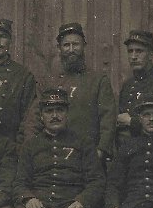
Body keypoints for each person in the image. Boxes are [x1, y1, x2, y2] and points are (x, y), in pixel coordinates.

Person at [7, 88, 106, 208]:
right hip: (36, 206)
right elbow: (19, 182)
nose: (55, 115)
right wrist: (28, 198)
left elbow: (96, 181)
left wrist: (83, 202)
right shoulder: (31, 145)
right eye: (49, 111)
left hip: (68, 207)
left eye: (59, 110)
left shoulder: (83, 143)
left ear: (67, 113)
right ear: (41, 116)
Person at [26, 23, 116, 162]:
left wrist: (100, 151)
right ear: (59, 48)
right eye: (66, 45)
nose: (71, 49)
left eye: (76, 45)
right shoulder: (49, 82)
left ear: (84, 46)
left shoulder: (98, 81)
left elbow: (108, 120)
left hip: (88, 157)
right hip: (53, 157)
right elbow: (34, 119)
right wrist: (32, 152)